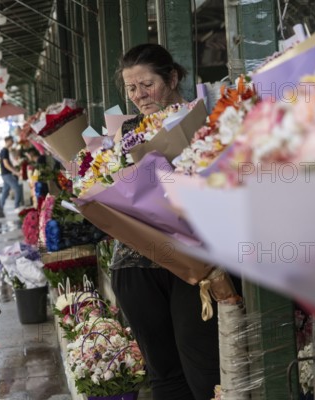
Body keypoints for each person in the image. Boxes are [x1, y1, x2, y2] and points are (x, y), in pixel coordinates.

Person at [111, 43, 221, 400]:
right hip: (136, 263)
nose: (139, 95)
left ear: (172, 78)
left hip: (192, 262)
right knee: (164, 374)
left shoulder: (202, 119)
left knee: (205, 368)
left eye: (147, 84)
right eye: (131, 88)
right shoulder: (125, 131)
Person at [0, 136, 24, 211]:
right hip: (7, 174)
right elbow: (6, 164)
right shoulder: (4, 151)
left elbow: (8, 164)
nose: (13, 142)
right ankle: (16, 206)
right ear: (8, 141)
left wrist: (14, 170)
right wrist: (15, 172)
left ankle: (0, 207)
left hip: (6, 174)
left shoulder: (5, 150)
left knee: (5, 191)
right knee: (17, 188)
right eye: (11, 141)